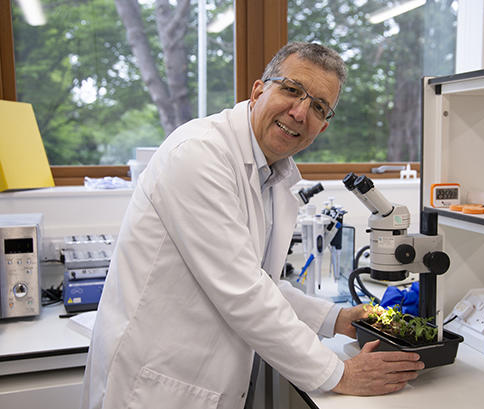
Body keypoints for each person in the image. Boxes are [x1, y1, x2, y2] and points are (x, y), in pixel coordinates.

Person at [80, 42, 424, 409]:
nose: (299, 112)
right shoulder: (199, 154)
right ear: (258, 90)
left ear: (322, 127)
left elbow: (260, 279)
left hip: (200, 383)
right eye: (292, 90)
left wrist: (335, 318)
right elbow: (242, 290)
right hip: (154, 386)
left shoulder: (272, 173)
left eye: (318, 107)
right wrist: (338, 373)